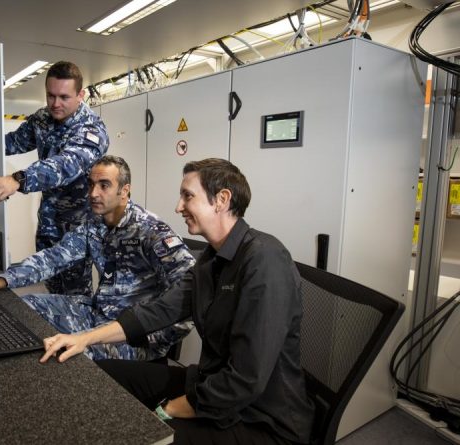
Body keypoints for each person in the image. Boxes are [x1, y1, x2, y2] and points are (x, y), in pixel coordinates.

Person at [40, 158, 315, 445]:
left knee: (144, 434)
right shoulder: (211, 260)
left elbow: (247, 379)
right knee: (103, 374)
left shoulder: (265, 261)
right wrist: (85, 339)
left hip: (260, 419)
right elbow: (158, 311)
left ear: (221, 200)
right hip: (211, 385)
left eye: (188, 196)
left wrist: (169, 409)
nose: (178, 207)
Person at [0, 156, 194, 361]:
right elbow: (53, 258)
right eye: (91, 184)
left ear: (125, 190)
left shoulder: (151, 232)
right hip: (97, 314)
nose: (93, 193)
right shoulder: (94, 224)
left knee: (67, 354)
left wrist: (154, 340)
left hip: (131, 336)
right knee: (24, 306)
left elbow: (191, 297)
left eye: (104, 185)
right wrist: (2, 281)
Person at [0, 61, 108, 296]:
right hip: (48, 224)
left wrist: (17, 179)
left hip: (76, 231)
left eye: (64, 97)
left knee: (74, 299)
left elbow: (66, 164)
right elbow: (13, 142)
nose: (55, 104)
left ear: (81, 95)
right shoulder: (42, 119)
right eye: (50, 95)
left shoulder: (92, 130)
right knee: (51, 289)